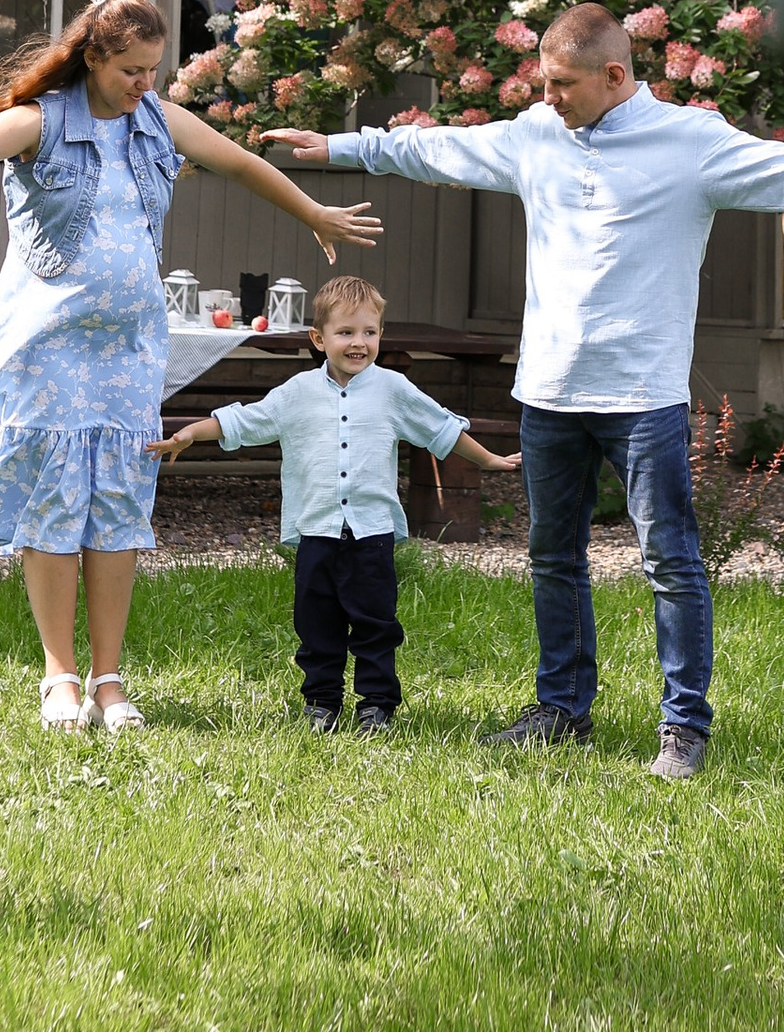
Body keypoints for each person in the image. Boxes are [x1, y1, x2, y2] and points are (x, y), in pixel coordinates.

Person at [268, 4, 784, 779]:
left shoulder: (692, 144)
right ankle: (561, 710)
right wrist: (339, 143)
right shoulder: (536, 137)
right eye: (542, 82)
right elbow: (436, 148)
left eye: (563, 84)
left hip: (643, 395)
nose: (548, 97)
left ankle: (683, 727)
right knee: (554, 558)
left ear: (615, 76)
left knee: (671, 563)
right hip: (549, 391)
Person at [0, 0, 380, 732]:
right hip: (49, 348)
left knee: (117, 504)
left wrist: (311, 213)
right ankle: (60, 678)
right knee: (55, 503)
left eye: (153, 70)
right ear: (93, 56)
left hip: (128, 350)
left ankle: (110, 681)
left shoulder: (158, 121)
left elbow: (242, 164)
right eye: (130, 70)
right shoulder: (39, 124)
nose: (143, 84)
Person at [153, 274, 521, 734]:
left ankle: (376, 704)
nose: (358, 343)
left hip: (371, 533)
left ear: (381, 336)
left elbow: (440, 427)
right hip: (317, 531)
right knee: (317, 625)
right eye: (346, 333)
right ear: (318, 338)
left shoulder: (393, 389)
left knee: (375, 622)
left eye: (369, 332)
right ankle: (322, 703)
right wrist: (190, 433)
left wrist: (488, 459)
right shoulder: (297, 393)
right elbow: (246, 422)